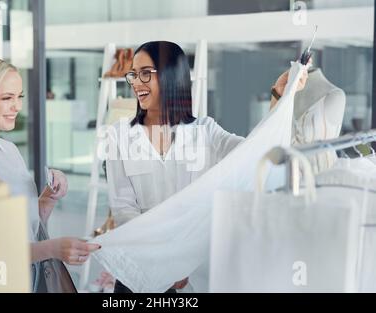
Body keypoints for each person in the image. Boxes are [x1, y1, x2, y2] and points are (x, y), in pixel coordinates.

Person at [105, 41, 309, 293]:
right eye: (133, 74)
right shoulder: (119, 136)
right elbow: (124, 210)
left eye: (145, 73)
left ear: (171, 75)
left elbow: (256, 156)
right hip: (137, 272)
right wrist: (161, 264)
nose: (136, 82)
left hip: (189, 273)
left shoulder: (206, 132)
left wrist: (281, 97)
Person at [0, 56, 100, 292]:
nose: (17, 106)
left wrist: (46, 201)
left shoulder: (9, 151)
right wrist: (54, 249)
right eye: (7, 98)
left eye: (19, 97)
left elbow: (27, 228)